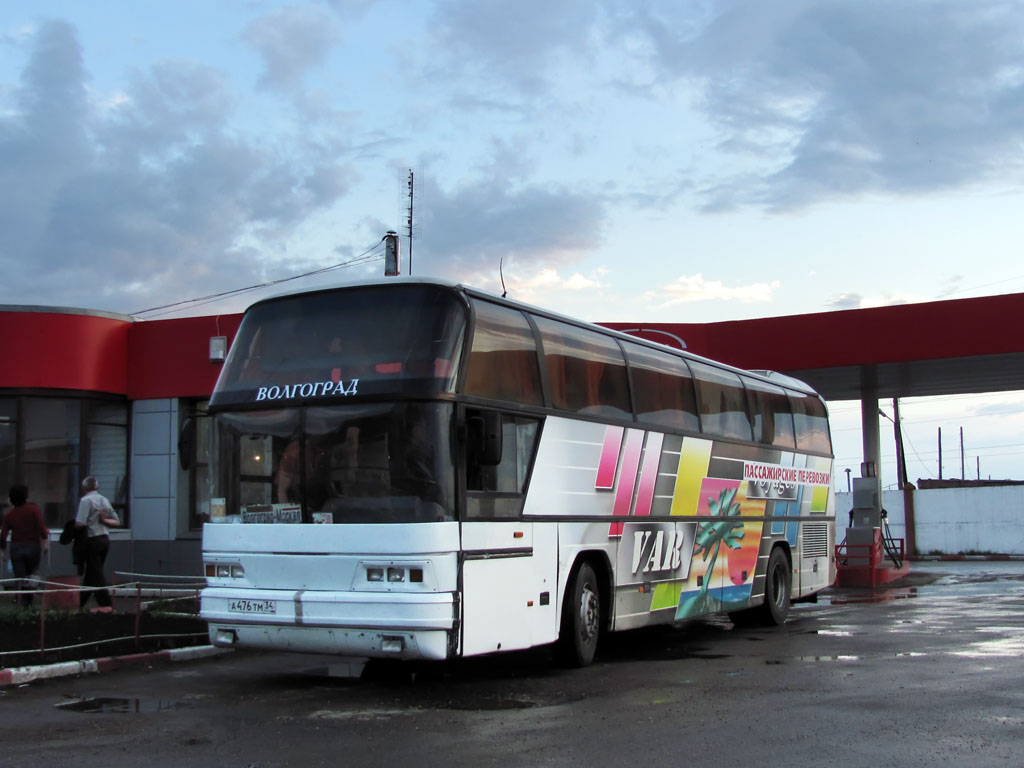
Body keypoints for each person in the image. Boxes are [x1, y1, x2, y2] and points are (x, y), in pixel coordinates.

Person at [75, 476, 120, 613]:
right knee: (91, 573)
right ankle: (79, 602)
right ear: (97, 487)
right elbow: (116, 522)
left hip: (92, 539)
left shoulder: (85, 500)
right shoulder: (104, 500)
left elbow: (80, 523)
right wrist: (104, 520)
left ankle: (106, 604)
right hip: (105, 539)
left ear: (84, 488)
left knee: (96, 572)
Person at [0, 484, 49, 608]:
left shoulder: (9, 515)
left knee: (19, 577)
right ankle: (29, 601)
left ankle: (20, 601)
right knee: (31, 575)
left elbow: (3, 535)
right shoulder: (33, 510)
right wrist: (45, 542)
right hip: (33, 547)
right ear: (26, 496)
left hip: (16, 548)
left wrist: (3, 550)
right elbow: (42, 529)